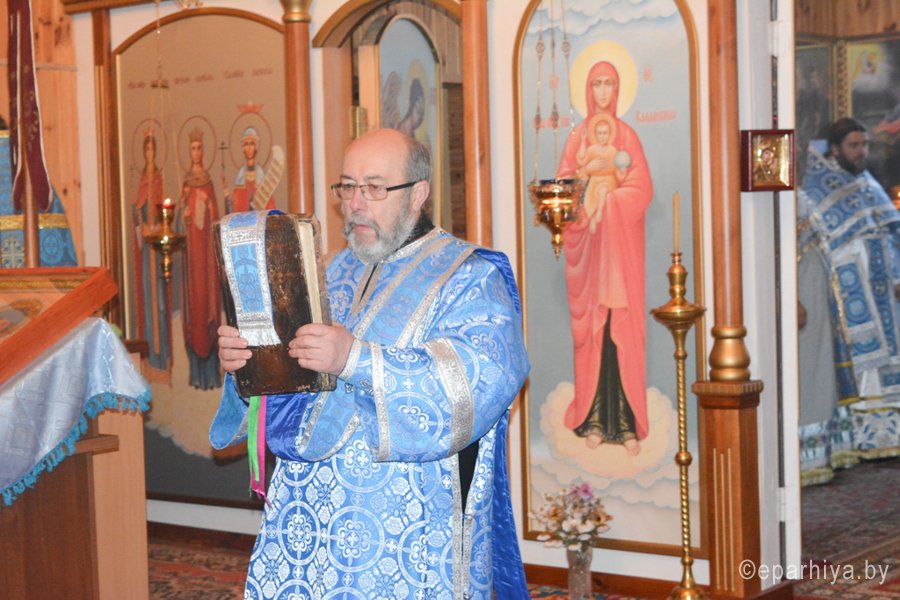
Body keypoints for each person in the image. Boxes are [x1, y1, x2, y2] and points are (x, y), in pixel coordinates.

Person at [210, 128, 531, 598]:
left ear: (418, 193)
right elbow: (288, 388)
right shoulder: (325, 272)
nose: (356, 204)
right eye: (347, 187)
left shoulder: (468, 278)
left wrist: (354, 358)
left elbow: (474, 386)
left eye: (375, 188)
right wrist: (246, 364)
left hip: (406, 535)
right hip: (306, 521)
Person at [557, 60, 653, 455]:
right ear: (587, 89)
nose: (601, 91)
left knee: (620, 332)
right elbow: (564, 190)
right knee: (594, 335)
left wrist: (611, 200)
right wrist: (586, 192)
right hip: (591, 255)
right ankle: (594, 418)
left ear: (616, 89)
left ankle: (627, 424)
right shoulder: (576, 139)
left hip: (621, 256)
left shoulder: (627, 136)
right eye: (595, 83)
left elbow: (641, 188)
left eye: (608, 84)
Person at [797, 117, 900, 480]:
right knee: (860, 360)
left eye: (864, 145)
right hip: (848, 288)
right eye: (854, 146)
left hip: (881, 287)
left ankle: (889, 434)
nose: (861, 152)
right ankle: (859, 436)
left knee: (888, 356)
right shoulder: (815, 187)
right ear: (835, 149)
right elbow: (818, 241)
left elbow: (891, 230)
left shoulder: (867, 182)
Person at [178, 128, 222, 390]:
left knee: (207, 305)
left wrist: (207, 203)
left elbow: (215, 218)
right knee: (193, 306)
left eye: (199, 148)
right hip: (191, 257)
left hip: (205, 256)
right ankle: (195, 370)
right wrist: (184, 211)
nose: (196, 153)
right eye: (192, 148)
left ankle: (211, 372)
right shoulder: (186, 183)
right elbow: (179, 220)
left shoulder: (207, 182)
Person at [133, 131, 172, 380]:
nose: (150, 154)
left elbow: (164, 212)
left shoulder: (158, 179)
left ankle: (162, 357)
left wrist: (158, 227)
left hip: (158, 249)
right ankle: (152, 360)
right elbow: (137, 211)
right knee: (149, 300)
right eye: (146, 149)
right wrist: (141, 227)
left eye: (152, 149)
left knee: (160, 302)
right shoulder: (141, 181)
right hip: (146, 252)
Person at [574, 113, 627, 233]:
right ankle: (594, 217)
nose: (602, 136)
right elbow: (581, 159)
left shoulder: (613, 151)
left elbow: (619, 174)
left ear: (609, 134)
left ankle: (598, 214)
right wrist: (583, 141)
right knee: (597, 193)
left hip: (609, 181)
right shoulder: (592, 150)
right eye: (600, 133)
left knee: (603, 190)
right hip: (594, 184)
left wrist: (622, 170)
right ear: (595, 135)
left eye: (605, 133)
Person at [224, 126, 272, 213]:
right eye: (246, 144)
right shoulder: (241, 173)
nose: (249, 148)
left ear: (256, 147)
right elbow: (236, 204)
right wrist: (226, 193)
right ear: (243, 148)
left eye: (252, 144)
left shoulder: (260, 173)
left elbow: (269, 204)